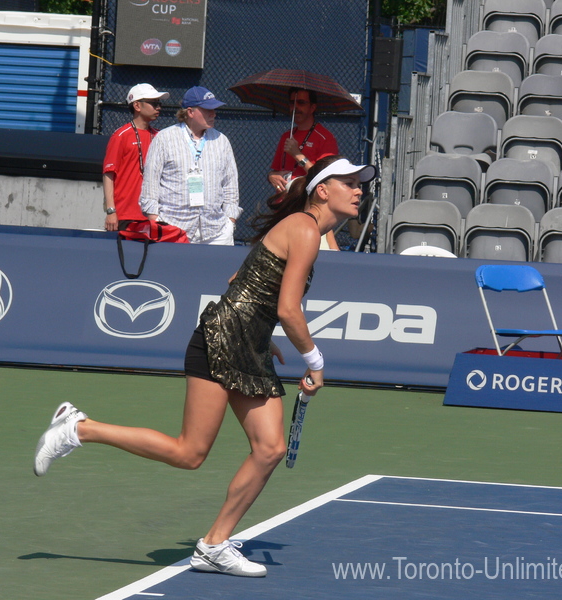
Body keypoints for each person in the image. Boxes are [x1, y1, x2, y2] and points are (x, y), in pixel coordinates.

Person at [33, 155, 377, 577]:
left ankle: (214, 545)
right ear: (323, 190)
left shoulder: (304, 231)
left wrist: (258, 336)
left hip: (245, 345)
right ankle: (78, 427)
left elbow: (242, 283)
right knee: (189, 453)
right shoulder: (305, 228)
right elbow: (288, 308)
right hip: (219, 343)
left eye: (360, 183)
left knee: (269, 449)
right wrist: (315, 361)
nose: (359, 189)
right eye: (350, 182)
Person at [139, 86, 241, 245]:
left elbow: (230, 184)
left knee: (219, 271)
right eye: (207, 109)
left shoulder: (222, 141)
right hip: (174, 228)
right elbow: (150, 184)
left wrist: (230, 221)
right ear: (190, 112)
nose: (213, 113)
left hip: (216, 231)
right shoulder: (164, 139)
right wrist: (157, 220)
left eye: (214, 109)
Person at [102, 83, 169, 231]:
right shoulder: (121, 135)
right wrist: (111, 211)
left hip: (154, 214)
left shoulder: (160, 136)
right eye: (153, 103)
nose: (158, 107)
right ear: (137, 106)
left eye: (159, 103)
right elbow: (108, 175)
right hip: (125, 214)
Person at [267, 88, 339, 194]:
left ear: (312, 107)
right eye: (292, 103)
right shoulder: (287, 136)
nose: (295, 107)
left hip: (306, 202)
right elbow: (276, 171)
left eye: (301, 103)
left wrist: (297, 154)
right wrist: (271, 176)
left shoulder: (325, 138)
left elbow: (324, 177)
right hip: (283, 201)